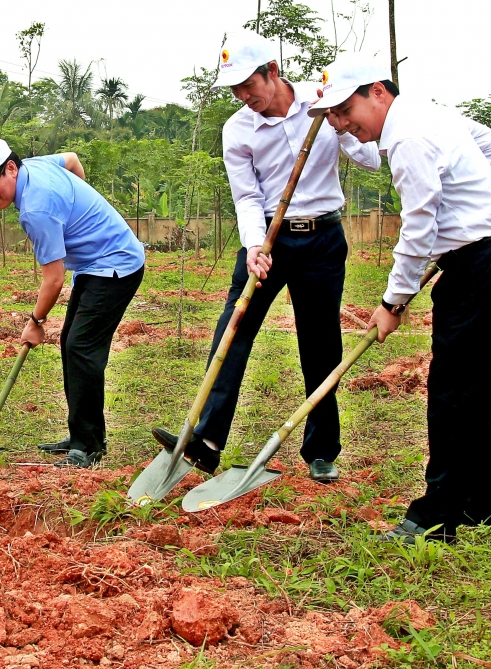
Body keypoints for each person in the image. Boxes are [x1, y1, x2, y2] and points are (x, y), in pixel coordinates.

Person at [312, 55, 491, 544]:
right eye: (334, 117)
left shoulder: (407, 140)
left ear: (378, 92)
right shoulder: (428, 114)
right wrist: (467, 198)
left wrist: (392, 302)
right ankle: (485, 504)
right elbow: (485, 141)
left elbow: (418, 226)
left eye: (347, 110)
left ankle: (435, 517)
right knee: (487, 390)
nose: (343, 124)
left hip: (480, 266)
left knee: (455, 393)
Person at [152, 33, 380, 481]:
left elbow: (371, 159)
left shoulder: (322, 103)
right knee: (232, 332)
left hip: (322, 238)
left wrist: (338, 122)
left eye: (248, 84)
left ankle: (321, 450)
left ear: (272, 72)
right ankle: (208, 439)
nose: (243, 96)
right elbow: (246, 195)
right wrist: (255, 246)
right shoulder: (237, 129)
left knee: (320, 342)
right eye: (234, 89)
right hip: (268, 241)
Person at [0, 137, 146, 468]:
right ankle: (82, 435)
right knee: (72, 343)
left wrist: (36, 322)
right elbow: (73, 159)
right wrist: (78, 207)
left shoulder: (36, 210)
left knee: (81, 347)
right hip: (95, 264)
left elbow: (54, 279)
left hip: (116, 264)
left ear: (10, 169)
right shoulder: (36, 166)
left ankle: (87, 448)